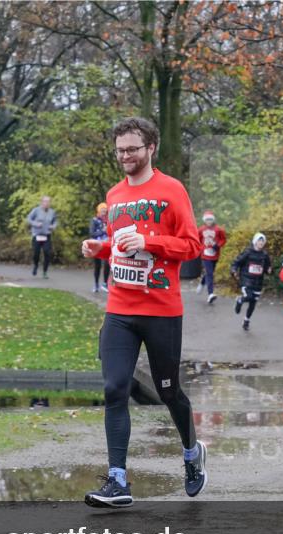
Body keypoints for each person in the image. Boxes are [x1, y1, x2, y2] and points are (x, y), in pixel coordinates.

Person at [80, 116, 206, 508]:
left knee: (169, 393)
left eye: (132, 149)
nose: (125, 156)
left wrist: (151, 241)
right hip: (120, 308)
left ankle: (191, 453)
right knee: (115, 388)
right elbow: (123, 246)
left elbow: (192, 246)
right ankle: (118, 481)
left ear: (151, 147)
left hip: (161, 310)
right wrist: (100, 249)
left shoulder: (172, 189)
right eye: (119, 150)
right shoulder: (114, 194)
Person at [230, 233, 272, 331]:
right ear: (255, 242)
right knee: (248, 296)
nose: (261, 243)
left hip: (258, 282)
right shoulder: (247, 252)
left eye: (262, 241)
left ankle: (246, 320)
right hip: (246, 280)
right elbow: (236, 262)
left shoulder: (265, 255)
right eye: (259, 241)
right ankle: (240, 300)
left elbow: (267, 268)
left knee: (253, 303)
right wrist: (234, 270)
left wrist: (269, 270)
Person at [196, 210, 226, 305]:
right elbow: (197, 239)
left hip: (215, 254)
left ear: (213, 220)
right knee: (210, 274)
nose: (209, 221)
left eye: (210, 219)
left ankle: (202, 283)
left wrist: (218, 245)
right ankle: (210, 294)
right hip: (205, 255)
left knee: (210, 272)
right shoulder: (200, 230)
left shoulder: (218, 229)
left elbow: (223, 239)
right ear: (204, 220)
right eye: (207, 220)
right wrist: (200, 248)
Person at [27, 195, 58, 278]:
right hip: (37, 235)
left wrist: (53, 226)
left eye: (48, 202)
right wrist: (36, 224)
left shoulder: (52, 212)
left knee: (47, 253)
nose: (47, 203)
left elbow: (55, 221)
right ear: (42, 202)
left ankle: (45, 272)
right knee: (36, 253)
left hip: (47, 235)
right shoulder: (36, 210)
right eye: (45, 201)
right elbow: (29, 219)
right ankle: (35, 265)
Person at [89, 202, 110, 292]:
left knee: (107, 264)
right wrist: (102, 231)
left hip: (106, 245)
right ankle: (96, 284)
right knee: (97, 266)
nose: (103, 212)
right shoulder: (94, 220)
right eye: (102, 210)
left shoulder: (109, 220)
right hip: (96, 244)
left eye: (105, 210)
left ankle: (105, 284)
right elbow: (92, 233)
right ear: (98, 210)